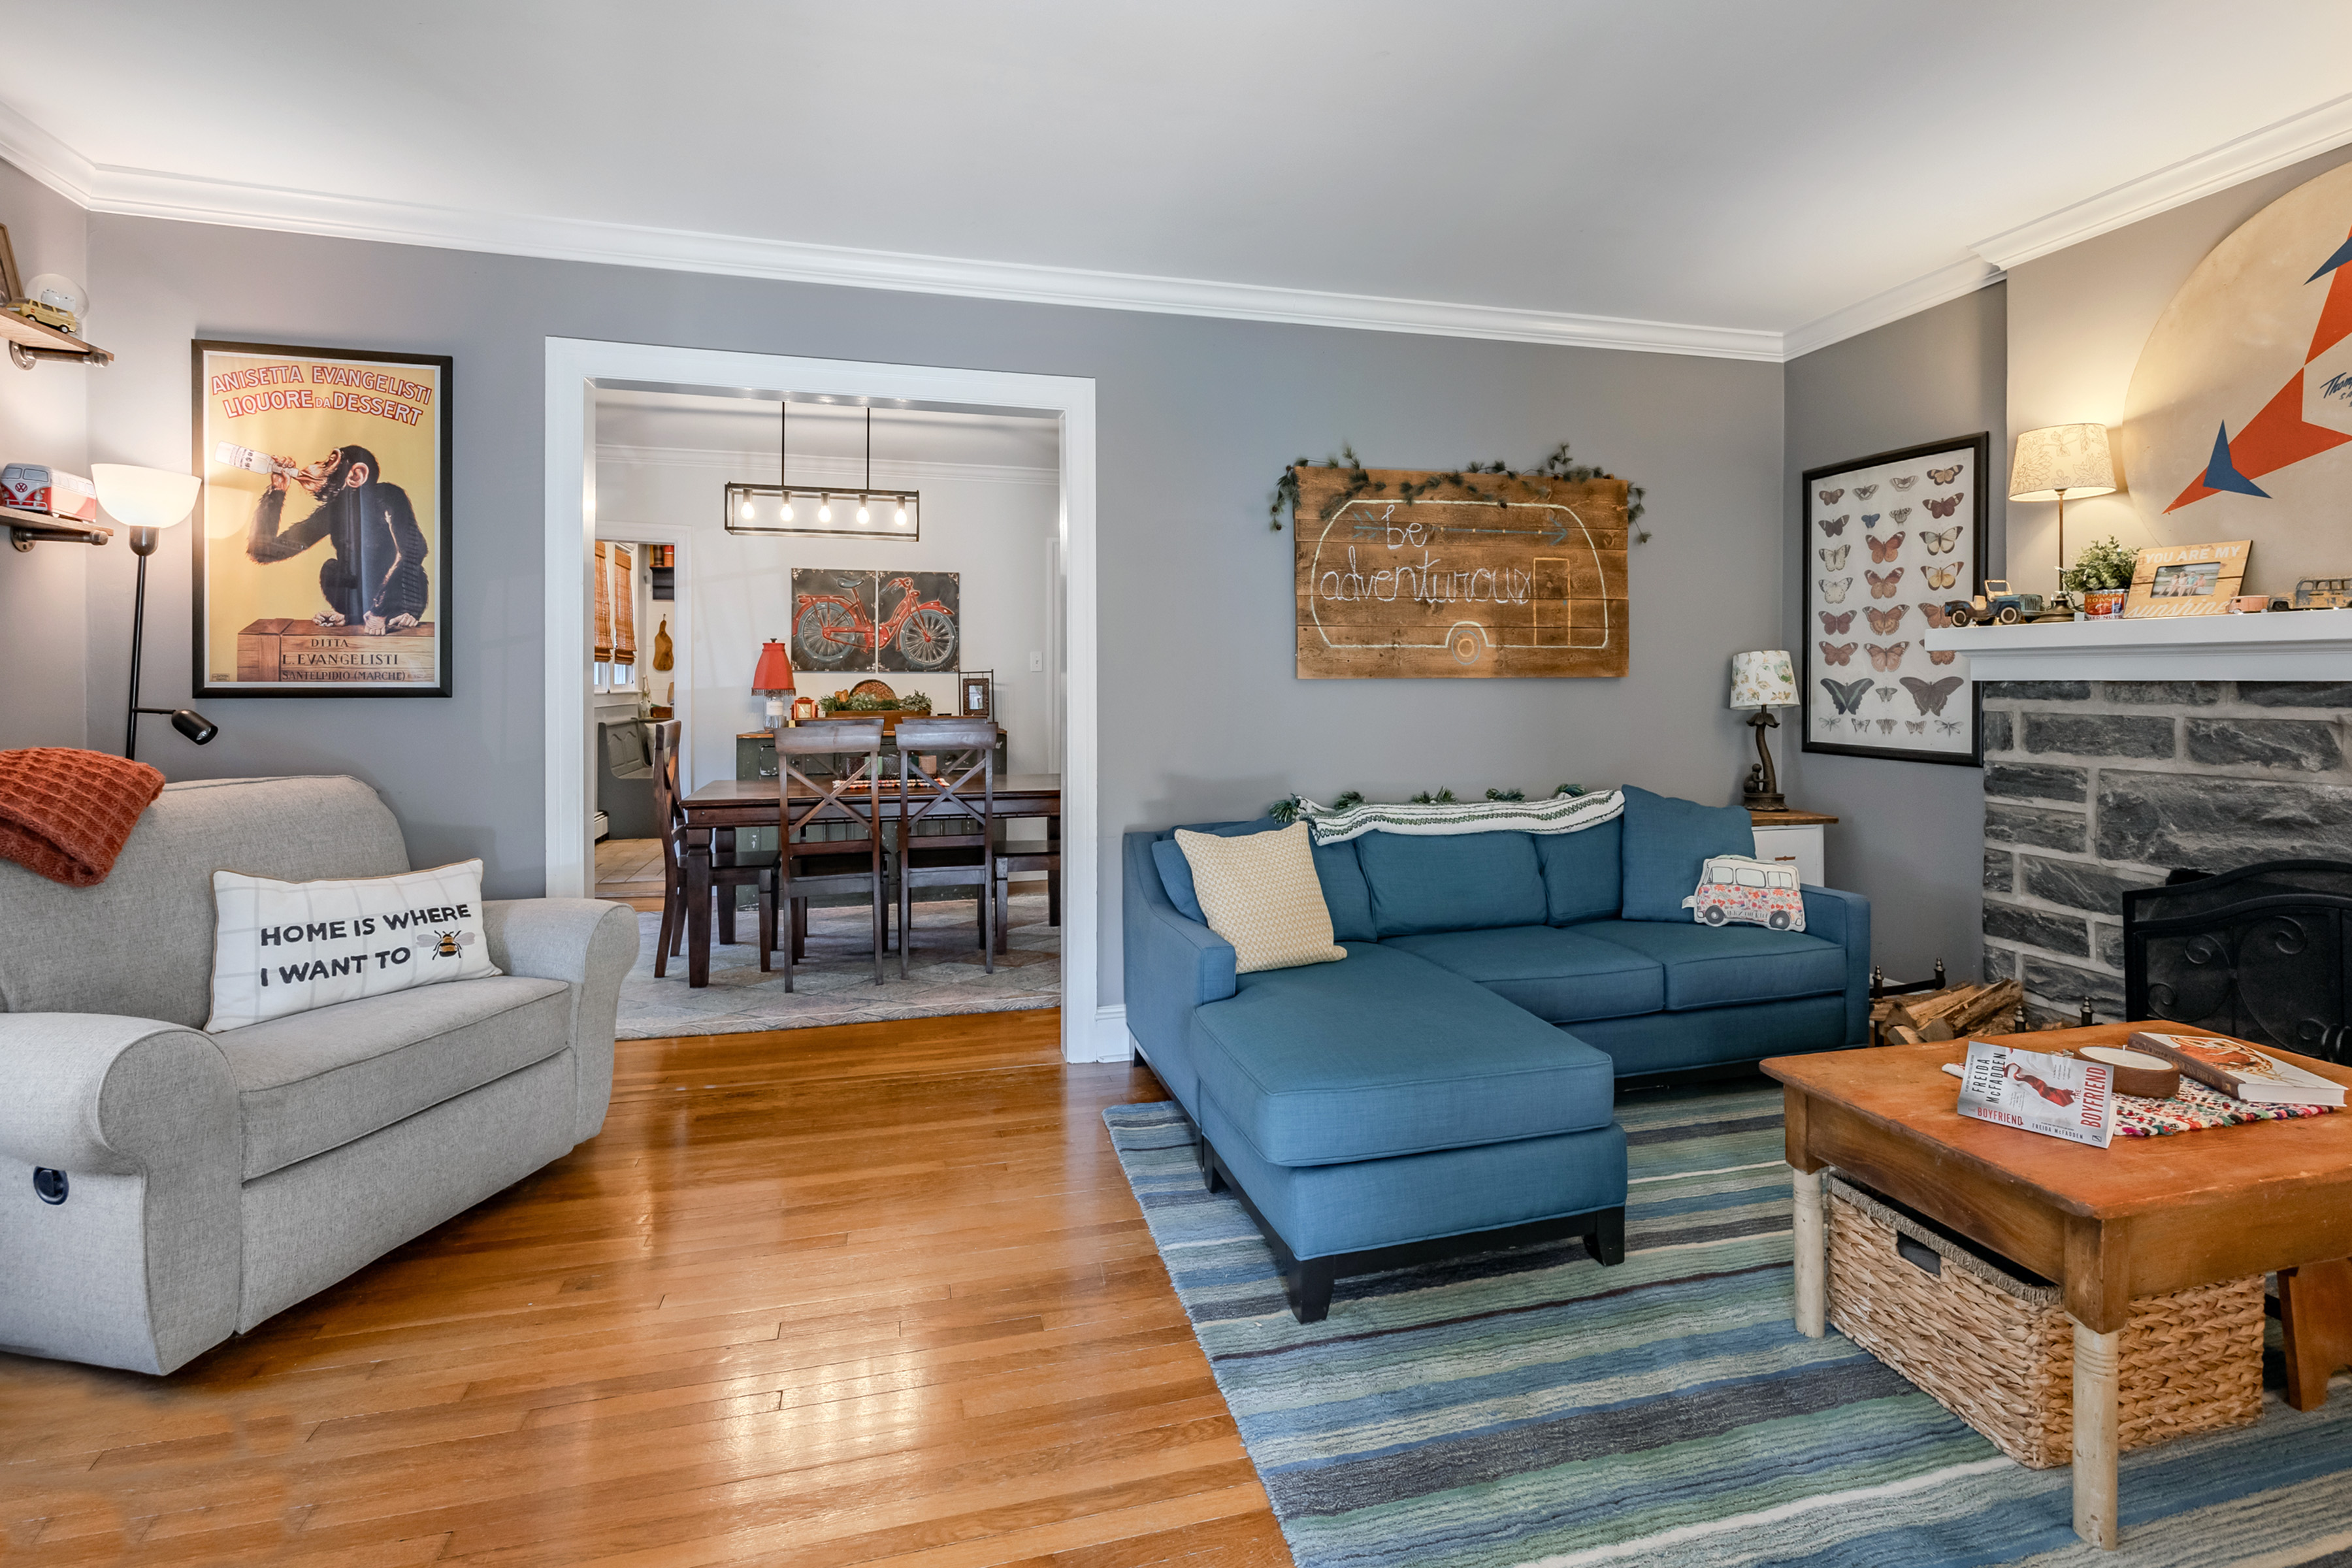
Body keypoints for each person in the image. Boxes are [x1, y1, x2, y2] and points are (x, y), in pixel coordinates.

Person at [244, 444, 429, 633]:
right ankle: (353, 616)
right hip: (361, 607)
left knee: (412, 566)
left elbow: (414, 552)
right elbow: (263, 552)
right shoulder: (333, 511)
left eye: (330, 461)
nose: (317, 464)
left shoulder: (389, 496)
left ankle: (400, 613)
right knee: (330, 569)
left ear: (356, 475)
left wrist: (380, 611)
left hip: (400, 599)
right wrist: (276, 490)